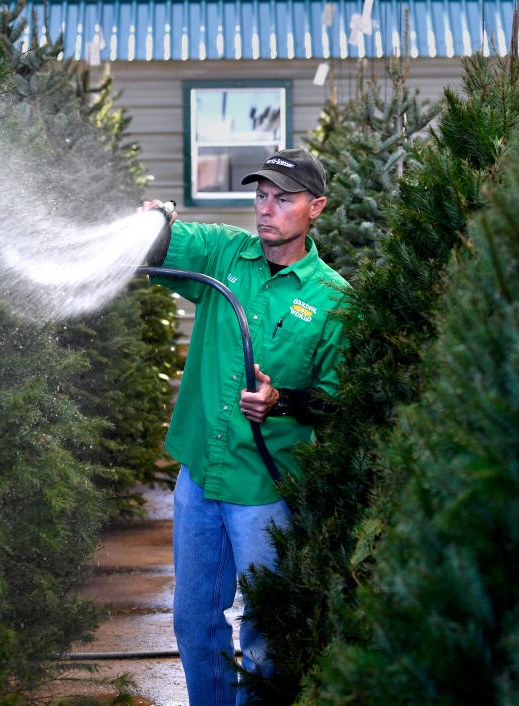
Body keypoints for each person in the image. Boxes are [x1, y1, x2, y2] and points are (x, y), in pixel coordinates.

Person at [142, 148, 347, 706]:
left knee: (264, 631)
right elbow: (160, 246)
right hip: (199, 481)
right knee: (193, 621)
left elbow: (339, 401)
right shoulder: (224, 255)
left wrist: (282, 401)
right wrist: (152, 220)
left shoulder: (332, 301)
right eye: (261, 196)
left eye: (284, 199)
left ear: (316, 207)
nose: (266, 209)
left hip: (265, 490)